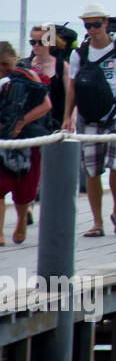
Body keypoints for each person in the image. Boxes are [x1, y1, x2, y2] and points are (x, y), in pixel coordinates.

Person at [64, 4, 116, 238]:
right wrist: (67, 117)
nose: (93, 29)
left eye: (97, 24)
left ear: (106, 23)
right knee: (92, 169)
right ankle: (97, 221)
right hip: (90, 115)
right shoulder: (79, 54)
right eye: (88, 25)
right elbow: (72, 87)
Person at [0, 41, 52, 245]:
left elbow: (46, 105)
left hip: (27, 140)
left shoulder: (27, 77)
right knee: (0, 186)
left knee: (25, 188)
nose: (3, 69)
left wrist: (22, 121)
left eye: (6, 64)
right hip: (3, 139)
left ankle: (21, 219)